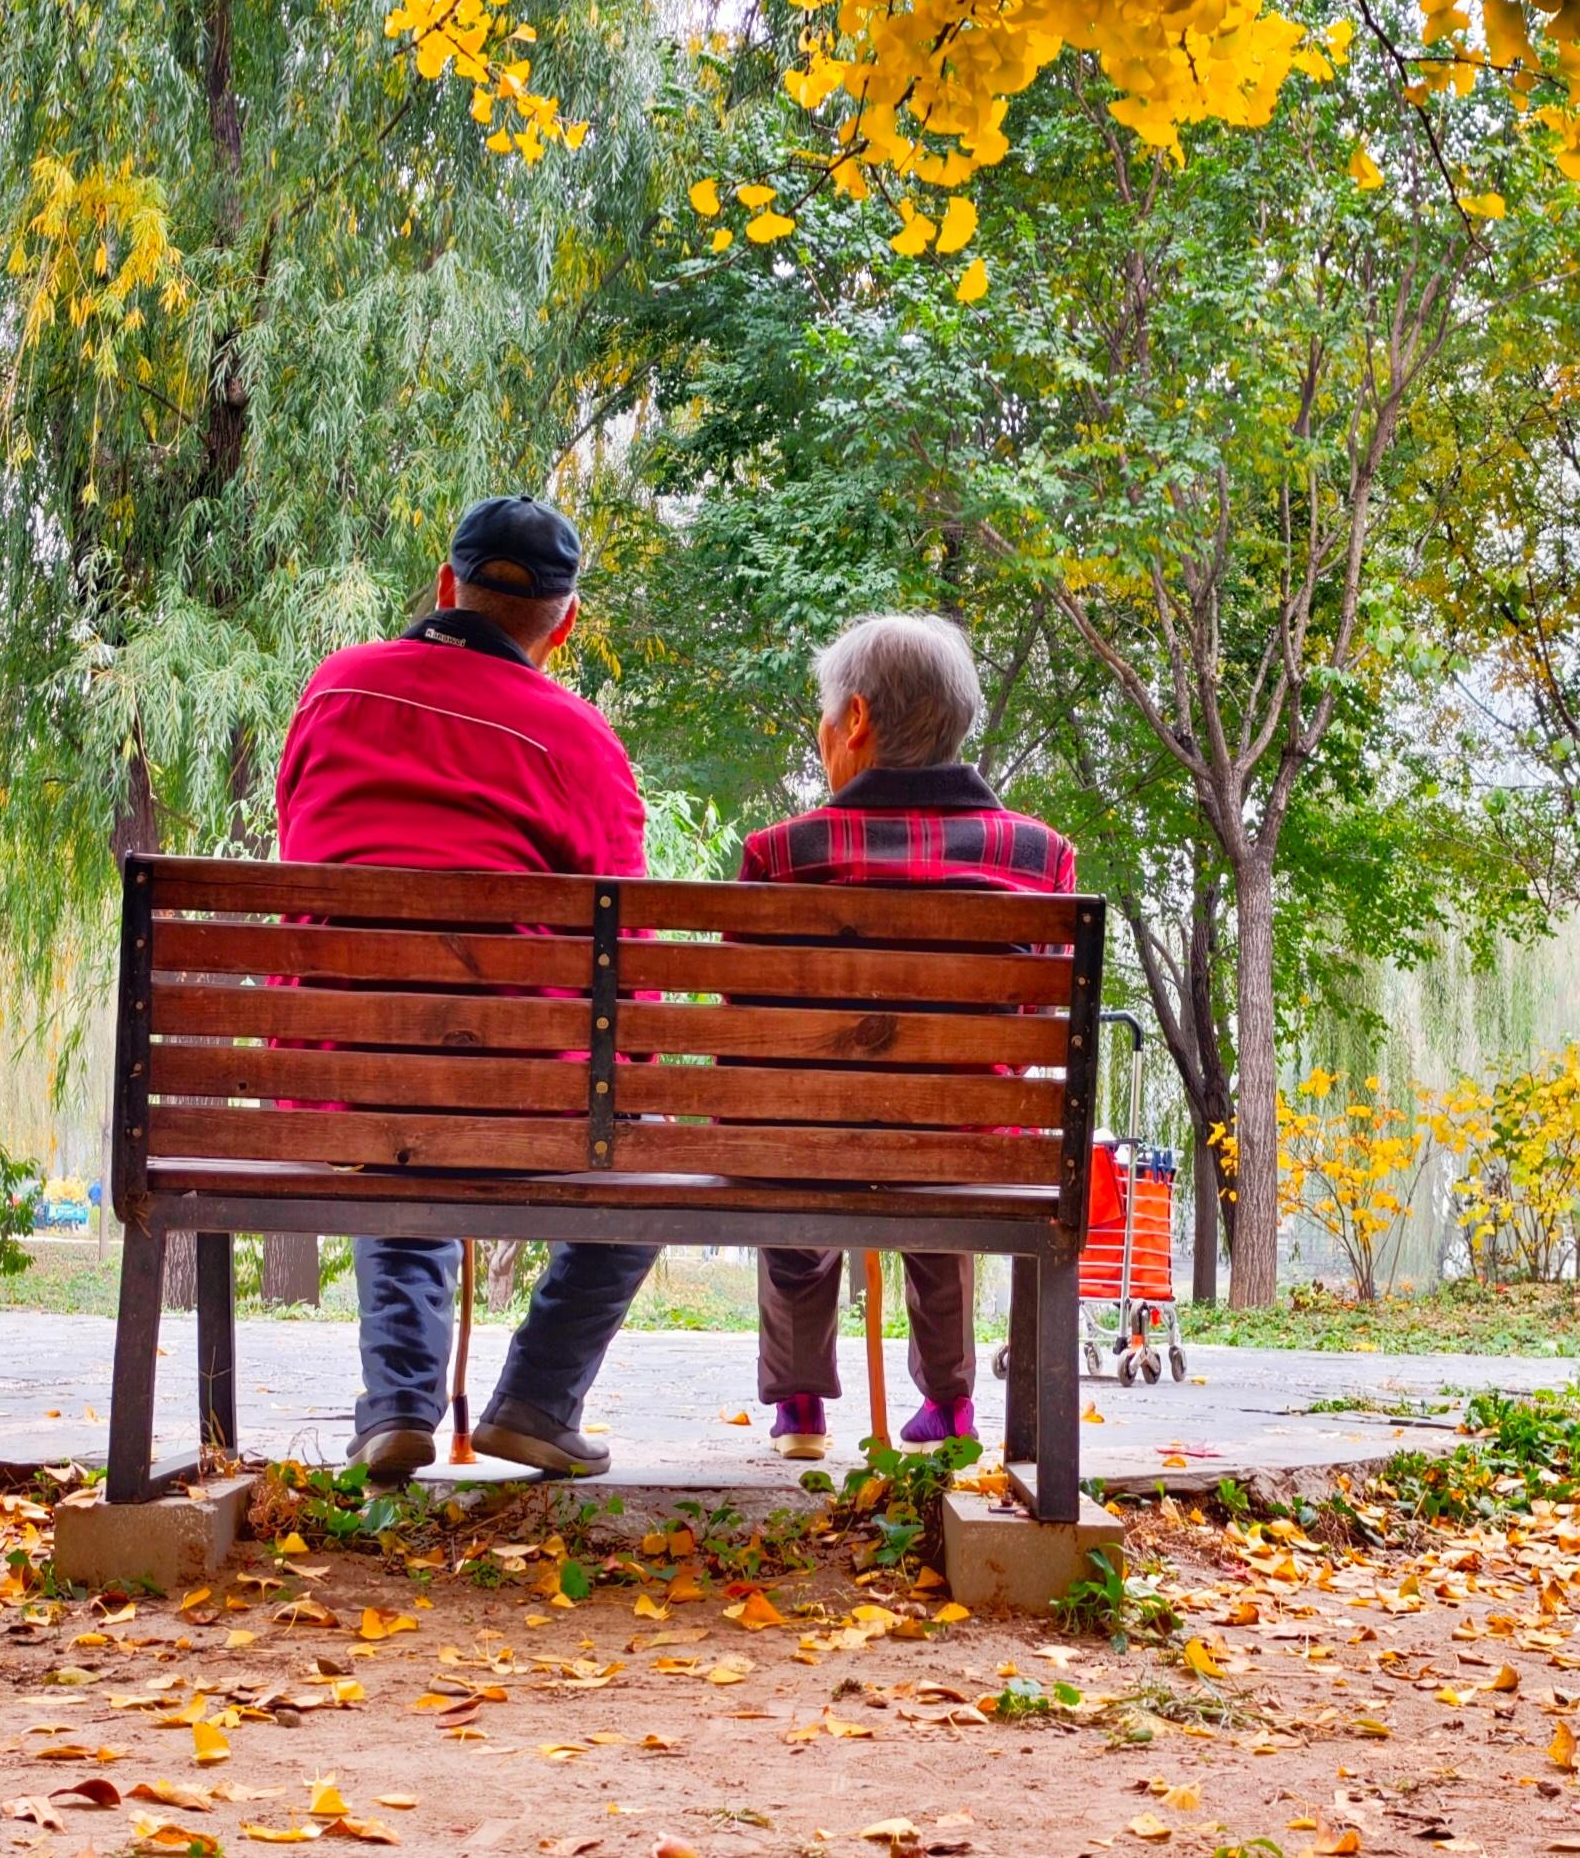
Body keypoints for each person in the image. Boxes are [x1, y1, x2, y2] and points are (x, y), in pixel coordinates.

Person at [276, 487, 656, 1483]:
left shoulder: (334, 691)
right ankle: (536, 1398)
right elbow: (637, 943)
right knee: (651, 1161)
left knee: (400, 1105)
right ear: (563, 624)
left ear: (446, 583)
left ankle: (399, 1404)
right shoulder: (579, 740)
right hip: (519, 1085)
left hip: (340, 1071)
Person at [740, 604, 1077, 1457]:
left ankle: (802, 1407)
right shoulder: (1037, 859)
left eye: (825, 715)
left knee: (793, 1135)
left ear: (856, 720)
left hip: (812, 1140)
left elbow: (746, 1031)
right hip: (967, 1141)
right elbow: (1031, 1019)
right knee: (953, 1128)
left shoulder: (782, 855)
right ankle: (954, 1409)